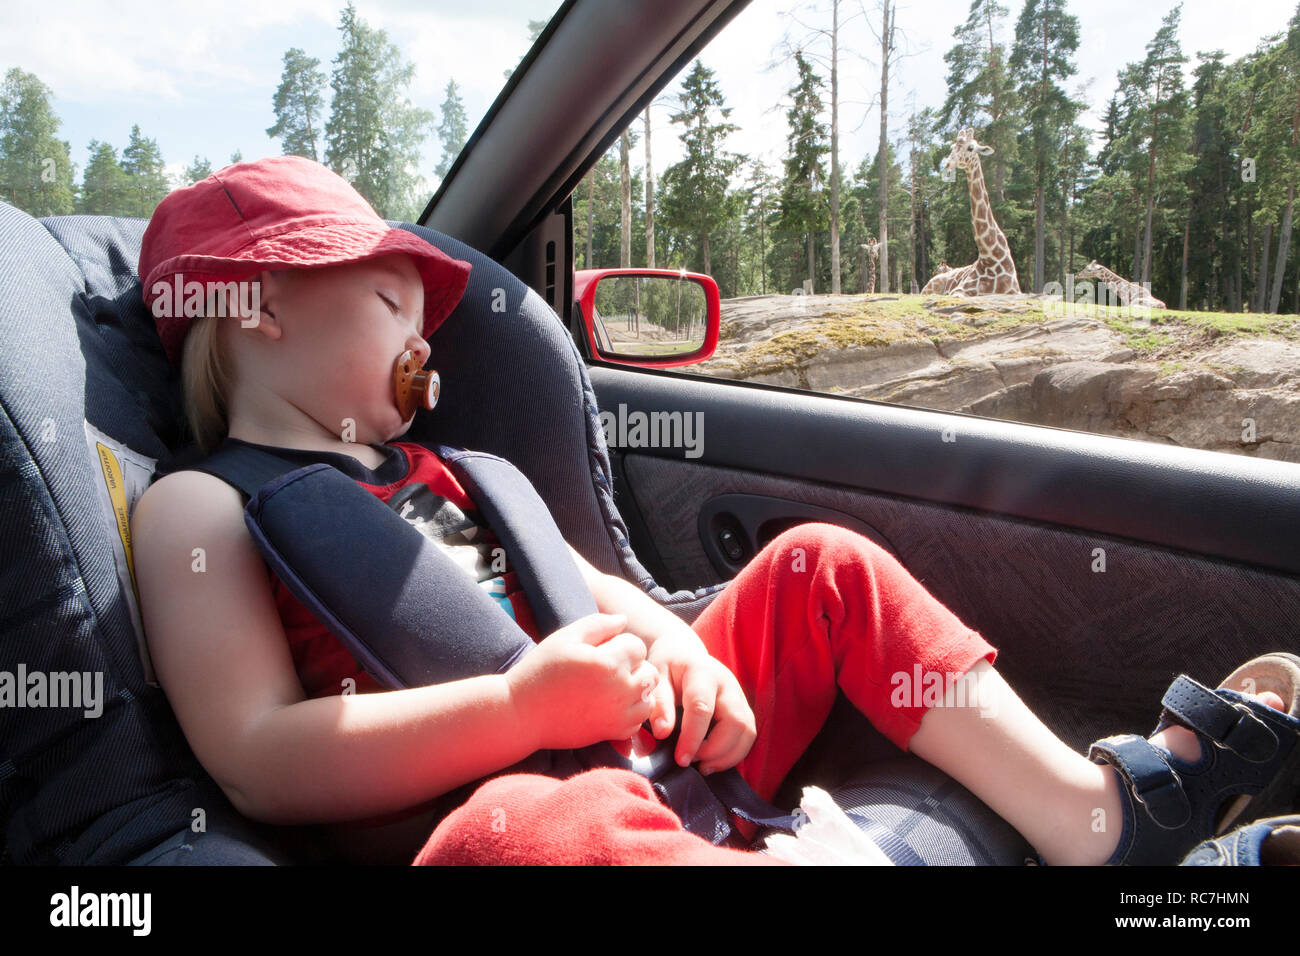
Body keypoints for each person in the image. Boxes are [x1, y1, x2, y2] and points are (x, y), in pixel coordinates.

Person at [130, 156, 1299, 867]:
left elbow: (599, 597)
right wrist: (515, 705)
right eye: (390, 298)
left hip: (628, 737)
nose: (422, 337)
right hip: (493, 810)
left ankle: (1093, 818)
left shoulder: (455, 471)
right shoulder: (202, 503)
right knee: (534, 830)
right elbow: (256, 759)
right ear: (257, 304)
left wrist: (688, 656)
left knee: (820, 563)